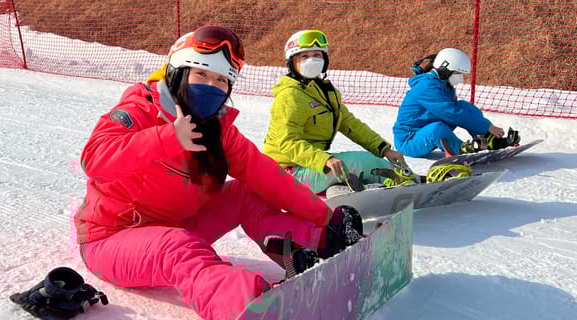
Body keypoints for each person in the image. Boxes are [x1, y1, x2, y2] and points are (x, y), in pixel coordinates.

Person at [75, 25, 364, 320]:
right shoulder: (142, 110)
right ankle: (249, 306)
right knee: (176, 247)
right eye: (201, 74)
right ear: (178, 73)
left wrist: (325, 217)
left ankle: (317, 244)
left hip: (177, 224)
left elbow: (267, 176)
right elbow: (95, 158)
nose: (211, 87)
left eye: (221, 81)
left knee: (245, 193)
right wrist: (167, 138)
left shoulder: (218, 129)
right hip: (112, 239)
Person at [262, 29, 415, 193]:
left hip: (308, 165)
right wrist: (324, 160)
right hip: (285, 172)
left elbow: (351, 124)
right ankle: (398, 186)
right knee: (359, 162)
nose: (312, 60)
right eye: (304, 56)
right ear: (293, 62)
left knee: (371, 161)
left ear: (325, 60)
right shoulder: (289, 95)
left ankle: (399, 181)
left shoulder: (325, 92)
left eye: (317, 55)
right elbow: (288, 143)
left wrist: (385, 150)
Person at [393, 48, 521, 158]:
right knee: (437, 127)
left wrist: (486, 129)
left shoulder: (444, 85)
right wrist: (486, 126)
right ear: (445, 69)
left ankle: (488, 140)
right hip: (409, 141)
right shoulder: (426, 86)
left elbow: (460, 111)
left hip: (426, 132)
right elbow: (451, 112)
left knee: (464, 107)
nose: (460, 77)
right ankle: (462, 149)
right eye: (458, 73)